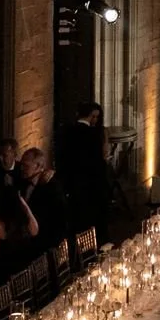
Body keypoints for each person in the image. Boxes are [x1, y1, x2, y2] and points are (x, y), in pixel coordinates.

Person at [58, 101, 110, 242]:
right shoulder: (94, 136)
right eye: (96, 117)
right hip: (91, 186)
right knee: (92, 224)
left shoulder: (65, 132)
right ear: (92, 116)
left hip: (72, 185)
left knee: (77, 224)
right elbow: (99, 161)